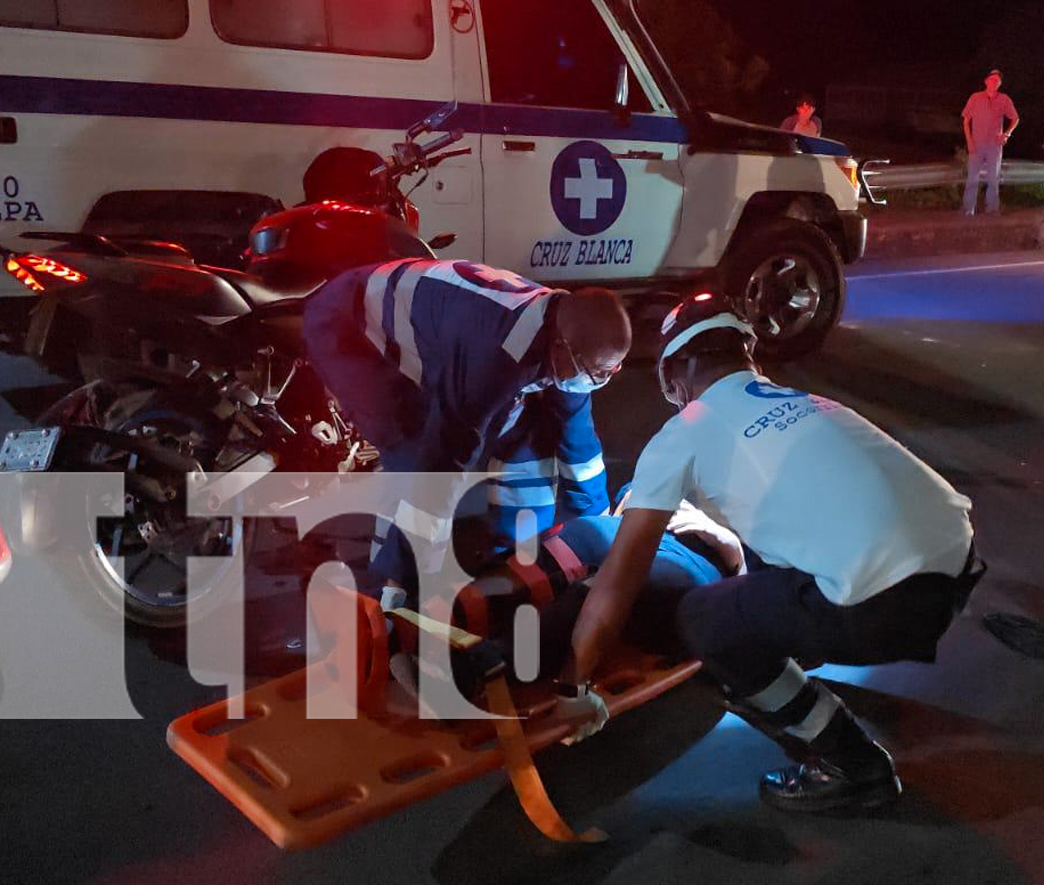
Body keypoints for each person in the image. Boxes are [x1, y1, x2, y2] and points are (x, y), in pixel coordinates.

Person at [562, 294, 984, 812]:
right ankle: (801, 648)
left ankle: (852, 764)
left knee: (705, 621)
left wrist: (575, 685)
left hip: (887, 605)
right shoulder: (813, 403)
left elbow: (616, 584)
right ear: (749, 356)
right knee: (770, 571)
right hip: (958, 561)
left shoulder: (683, 433)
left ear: (675, 377)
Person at [302, 258, 630, 594]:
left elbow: (578, 439)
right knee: (416, 452)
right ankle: (386, 593)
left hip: (442, 327)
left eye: (608, 373)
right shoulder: (497, 356)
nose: (594, 383)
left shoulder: (568, 333)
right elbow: (442, 464)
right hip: (349, 328)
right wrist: (404, 577)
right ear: (560, 347)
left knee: (515, 440)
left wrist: (597, 529)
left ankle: (475, 568)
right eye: (594, 373)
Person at [961, 69, 1020, 215]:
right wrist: (969, 141)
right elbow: (966, 120)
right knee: (972, 178)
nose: (994, 82)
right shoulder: (975, 97)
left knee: (993, 178)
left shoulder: (1004, 99)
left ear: (1000, 84)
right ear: (986, 81)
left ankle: (992, 209)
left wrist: (1006, 134)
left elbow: (1015, 118)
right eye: (992, 79)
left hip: (994, 145)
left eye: (997, 81)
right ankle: (968, 209)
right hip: (976, 143)